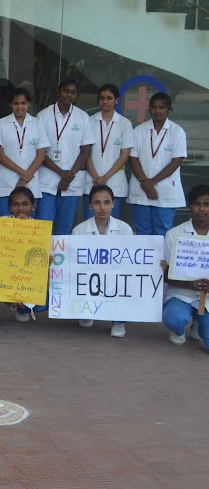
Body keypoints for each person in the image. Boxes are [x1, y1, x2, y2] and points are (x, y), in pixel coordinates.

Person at [71, 184, 132, 338]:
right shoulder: (79, 230)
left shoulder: (125, 229)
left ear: (114, 203)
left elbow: (132, 263)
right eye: (97, 203)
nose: (102, 207)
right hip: (89, 279)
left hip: (115, 279)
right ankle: (87, 311)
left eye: (106, 202)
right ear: (89, 205)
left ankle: (118, 320)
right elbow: (73, 261)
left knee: (123, 283)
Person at [38, 79, 94, 236]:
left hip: (72, 179)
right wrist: (61, 173)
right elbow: (40, 151)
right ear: (58, 91)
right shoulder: (43, 116)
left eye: (73, 92)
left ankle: (59, 260)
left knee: (65, 226)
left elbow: (85, 150)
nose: (68, 95)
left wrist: (69, 175)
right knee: (44, 225)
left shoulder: (82, 117)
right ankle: (42, 259)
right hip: (47, 179)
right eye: (65, 91)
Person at [129, 92, 186, 237]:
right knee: (143, 233)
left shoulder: (177, 132)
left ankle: (162, 261)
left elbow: (177, 161)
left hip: (165, 191)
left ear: (169, 110)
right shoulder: (138, 131)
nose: (158, 111)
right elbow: (133, 160)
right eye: (154, 107)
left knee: (163, 232)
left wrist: (151, 183)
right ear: (149, 109)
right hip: (141, 190)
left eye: (162, 107)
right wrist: (146, 184)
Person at [0, 187, 37, 333]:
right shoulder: (0, 222)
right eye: (15, 204)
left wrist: (28, 227)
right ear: (10, 207)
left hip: (28, 274)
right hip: (8, 269)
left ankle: (22, 309)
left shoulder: (39, 227)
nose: (20, 208)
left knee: (42, 305)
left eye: (25, 204)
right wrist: (19, 227)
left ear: (33, 206)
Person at [162, 184, 209, 347]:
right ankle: (178, 331)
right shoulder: (174, 234)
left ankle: (199, 324)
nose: (201, 209)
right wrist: (190, 284)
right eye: (197, 204)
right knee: (173, 317)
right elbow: (166, 274)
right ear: (190, 206)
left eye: (206, 204)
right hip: (181, 294)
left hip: (207, 298)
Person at [0, 88, 48, 218]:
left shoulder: (37, 124)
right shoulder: (1, 124)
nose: (20, 107)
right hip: (6, 184)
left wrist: (24, 178)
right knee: (5, 228)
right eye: (16, 103)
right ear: (10, 104)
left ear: (29, 104)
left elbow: (41, 154)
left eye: (23, 103)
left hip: (30, 185)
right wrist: (24, 174)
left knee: (28, 230)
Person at [83, 84, 133, 220]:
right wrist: (96, 177)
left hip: (114, 183)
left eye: (109, 98)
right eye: (102, 98)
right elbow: (85, 153)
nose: (105, 102)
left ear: (116, 100)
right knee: (90, 226)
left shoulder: (125, 123)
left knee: (112, 228)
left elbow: (124, 156)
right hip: (92, 181)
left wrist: (104, 178)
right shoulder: (89, 121)